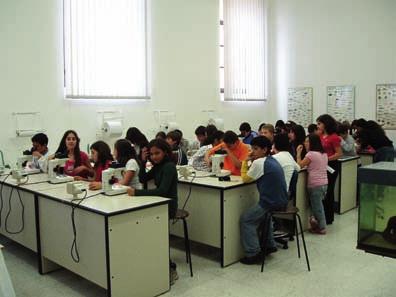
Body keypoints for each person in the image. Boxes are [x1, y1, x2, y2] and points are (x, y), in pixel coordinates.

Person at [126, 138, 179, 284]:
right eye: (152, 154)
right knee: (153, 237)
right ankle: (161, 266)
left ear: (165, 152)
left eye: (157, 153)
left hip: (168, 206)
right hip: (158, 204)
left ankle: (169, 268)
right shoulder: (158, 165)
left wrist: (136, 193)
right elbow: (143, 178)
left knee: (158, 238)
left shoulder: (168, 166)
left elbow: (162, 191)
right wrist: (143, 161)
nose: (154, 157)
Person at [239, 136, 288, 264]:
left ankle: (253, 253)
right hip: (282, 200)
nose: (252, 152)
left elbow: (245, 178)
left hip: (270, 202)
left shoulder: (259, 162)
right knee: (264, 218)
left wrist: (245, 161)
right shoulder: (271, 160)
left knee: (247, 219)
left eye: (255, 149)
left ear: (265, 149)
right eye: (251, 149)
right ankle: (269, 244)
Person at [296, 134, 328, 234]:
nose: (305, 143)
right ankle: (316, 225)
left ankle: (322, 227)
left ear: (313, 143)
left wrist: (298, 154)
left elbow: (299, 166)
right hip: (324, 183)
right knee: (318, 206)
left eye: (307, 141)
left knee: (317, 207)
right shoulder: (324, 154)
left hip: (315, 184)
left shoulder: (311, 154)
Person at [316, 114, 342, 225]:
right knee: (322, 191)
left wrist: (326, 159)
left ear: (325, 124)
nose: (318, 126)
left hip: (332, 166)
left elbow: (339, 153)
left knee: (329, 191)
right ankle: (322, 216)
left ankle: (329, 217)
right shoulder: (320, 136)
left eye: (319, 123)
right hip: (322, 166)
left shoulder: (334, 137)